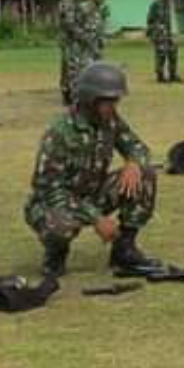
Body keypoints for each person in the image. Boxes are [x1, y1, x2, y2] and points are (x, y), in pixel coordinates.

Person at [24, 62, 161, 278]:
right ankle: (55, 256)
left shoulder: (110, 120)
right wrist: (96, 218)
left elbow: (137, 147)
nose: (114, 106)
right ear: (90, 100)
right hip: (54, 202)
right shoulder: (59, 132)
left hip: (92, 194)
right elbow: (49, 189)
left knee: (145, 175)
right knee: (61, 224)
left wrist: (134, 163)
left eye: (116, 100)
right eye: (109, 101)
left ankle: (124, 250)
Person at [58, 0, 92, 104]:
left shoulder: (72, 2)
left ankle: (67, 93)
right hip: (70, 41)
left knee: (68, 67)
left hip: (70, 40)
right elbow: (70, 24)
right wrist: (83, 37)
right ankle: (71, 95)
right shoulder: (69, 3)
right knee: (72, 67)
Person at [145, 0, 181, 84]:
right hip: (158, 34)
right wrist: (154, 31)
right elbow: (149, 20)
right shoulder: (155, 4)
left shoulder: (168, 5)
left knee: (173, 52)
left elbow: (169, 21)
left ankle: (172, 75)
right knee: (161, 54)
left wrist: (172, 33)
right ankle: (160, 76)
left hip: (168, 33)